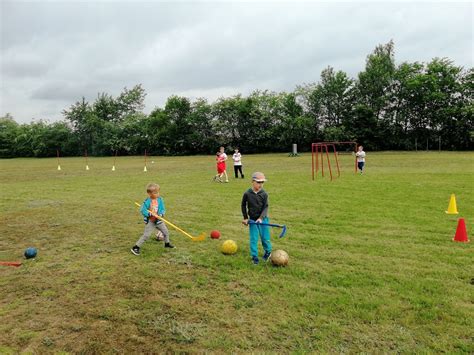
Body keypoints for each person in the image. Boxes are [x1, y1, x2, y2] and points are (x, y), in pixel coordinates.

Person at [131, 183, 175, 255]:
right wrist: (150, 214)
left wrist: (161, 214)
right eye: (155, 193)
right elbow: (143, 210)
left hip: (159, 221)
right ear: (149, 193)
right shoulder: (147, 201)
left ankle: (167, 244)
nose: (157, 194)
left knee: (166, 232)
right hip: (151, 222)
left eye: (158, 192)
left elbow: (162, 208)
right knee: (146, 235)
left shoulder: (160, 200)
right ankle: (136, 247)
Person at [241, 172, 272, 265]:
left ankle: (268, 252)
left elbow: (265, 207)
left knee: (265, 238)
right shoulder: (247, 193)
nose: (261, 184)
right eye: (258, 182)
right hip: (252, 221)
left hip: (263, 220)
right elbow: (243, 205)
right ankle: (254, 256)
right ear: (252, 181)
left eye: (262, 182)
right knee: (253, 239)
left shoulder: (264, 194)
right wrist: (246, 218)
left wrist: (261, 218)